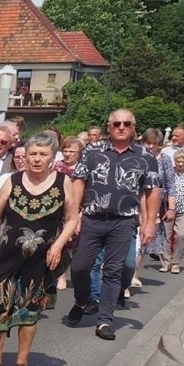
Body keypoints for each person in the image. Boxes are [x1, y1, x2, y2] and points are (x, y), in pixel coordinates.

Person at [0, 130, 76, 366]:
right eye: (32, 153)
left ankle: (22, 362)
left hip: (39, 260)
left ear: (52, 157)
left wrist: (58, 245)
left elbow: (72, 219)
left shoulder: (63, 182)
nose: (37, 159)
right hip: (3, 255)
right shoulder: (13, 181)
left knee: (29, 309)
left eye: (43, 154)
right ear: (24, 156)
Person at [62, 110, 160, 341]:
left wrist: (149, 223)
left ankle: (105, 319)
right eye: (117, 123)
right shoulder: (93, 151)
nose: (121, 127)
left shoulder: (145, 155)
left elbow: (152, 191)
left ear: (134, 127)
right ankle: (82, 300)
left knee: (114, 272)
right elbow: (79, 182)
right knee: (79, 267)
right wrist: (74, 215)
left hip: (123, 221)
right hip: (92, 219)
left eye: (127, 123)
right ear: (109, 126)